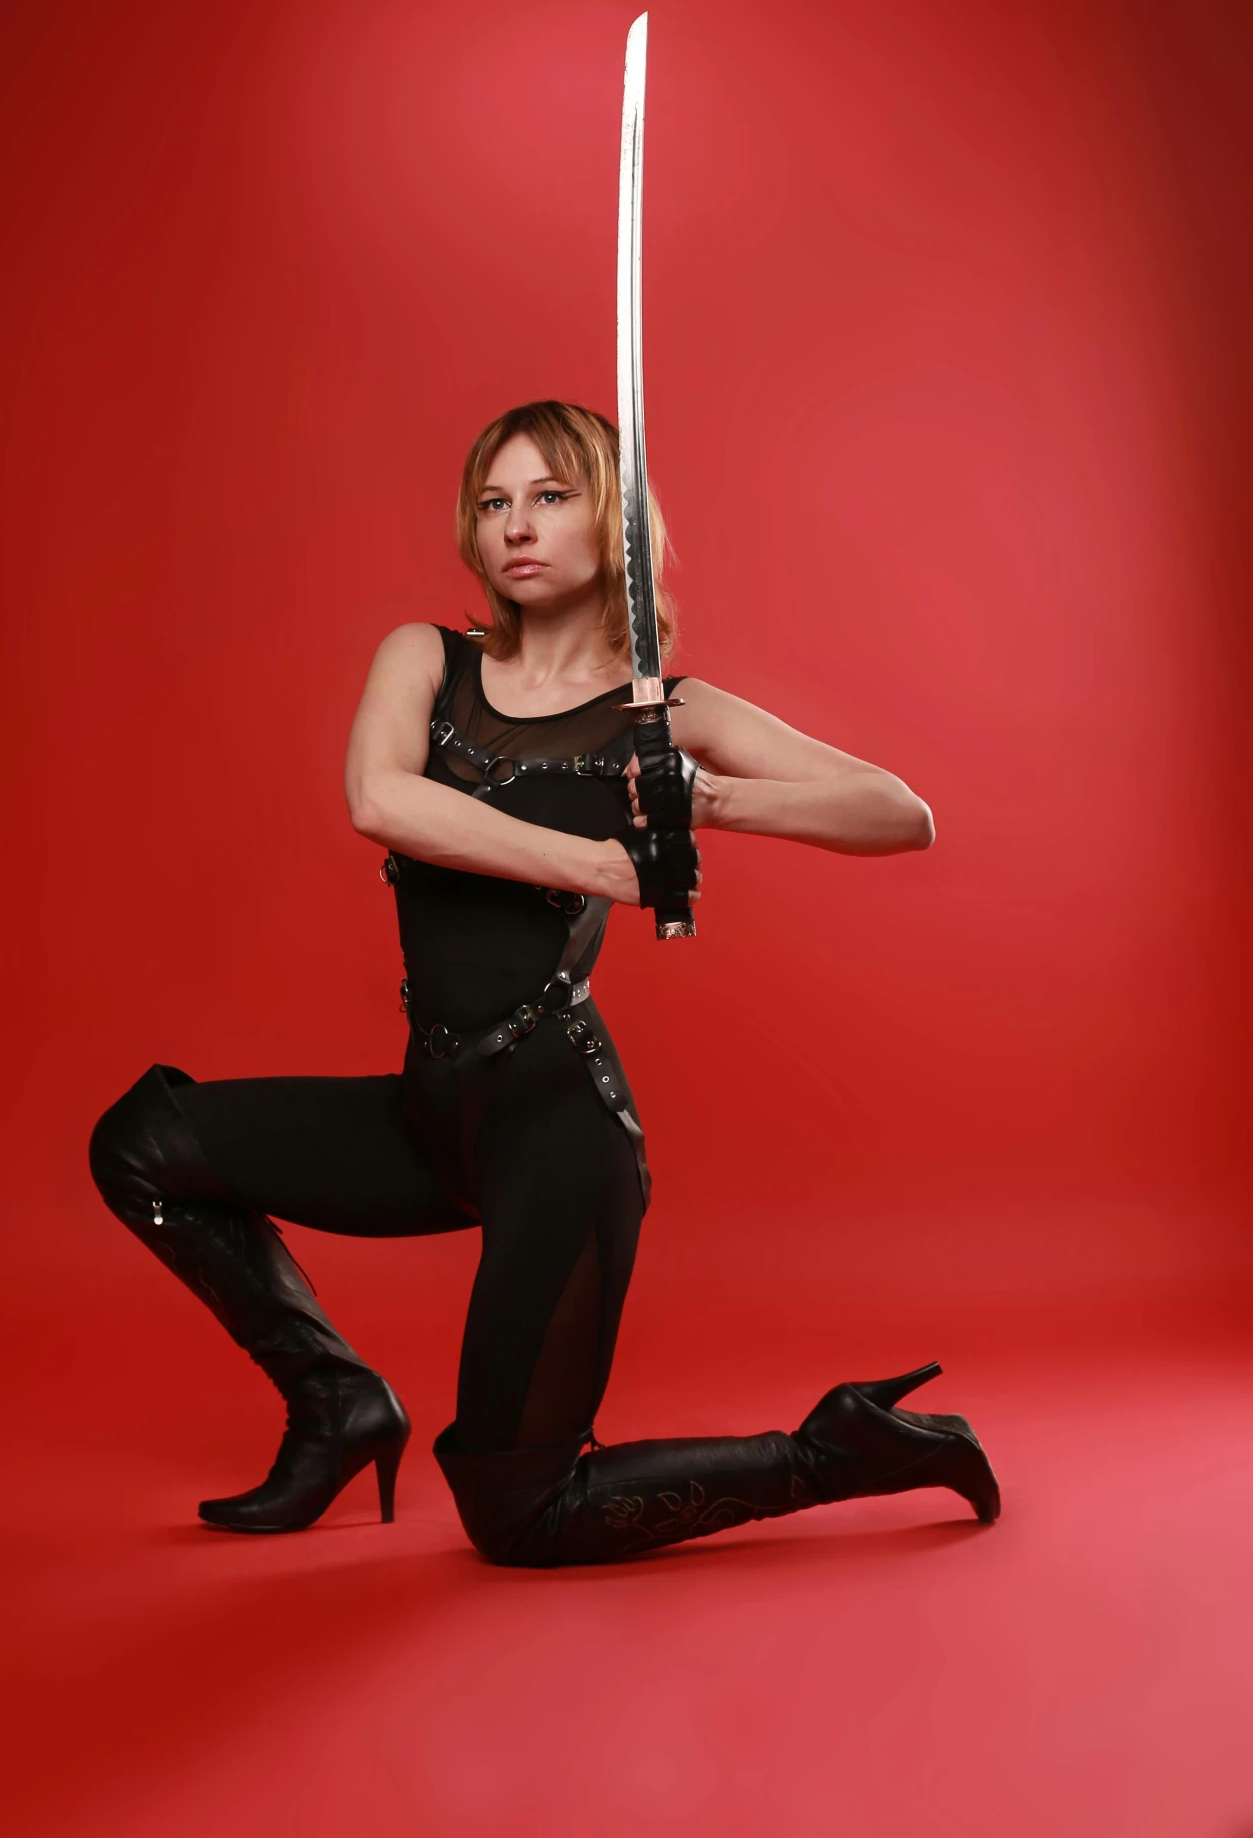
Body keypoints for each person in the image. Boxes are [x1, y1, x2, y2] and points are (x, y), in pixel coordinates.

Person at [88, 400, 998, 1565]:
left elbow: (899, 815)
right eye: (492, 501)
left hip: (557, 1133)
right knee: (143, 1146)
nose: (514, 525)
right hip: (430, 1113)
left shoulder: (664, 713)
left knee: (518, 1514)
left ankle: (845, 1448)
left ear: (612, 519)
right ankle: (333, 1398)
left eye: (550, 497)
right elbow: (382, 799)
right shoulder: (427, 658)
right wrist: (604, 866)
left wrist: (713, 800)